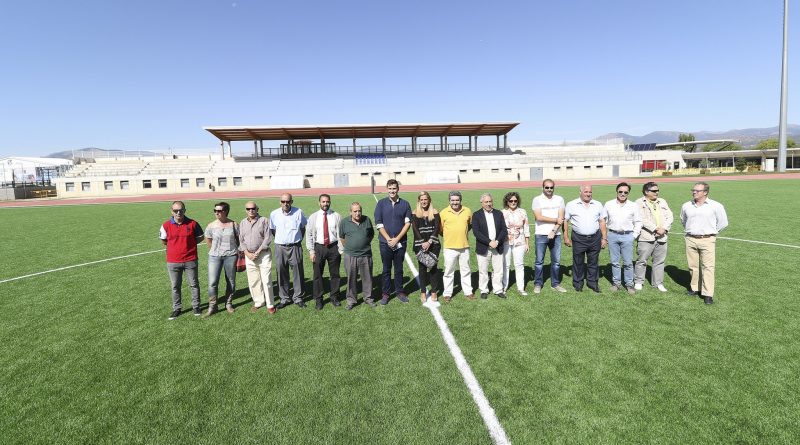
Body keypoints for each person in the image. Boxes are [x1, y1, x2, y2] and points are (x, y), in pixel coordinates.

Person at [680, 182, 728, 305]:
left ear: (705, 192)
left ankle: (707, 294)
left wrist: (711, 233)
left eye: (697, 190)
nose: (694, 192)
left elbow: (723, 223)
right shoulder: (686, 205)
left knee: (708, 267)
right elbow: (683, 220)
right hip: (690, 239)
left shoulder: (716, 206)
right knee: (693, 266)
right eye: (693, 190)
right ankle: (695, 288)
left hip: (708, 239)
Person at [160, 201, 204, 320]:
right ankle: (177, 308)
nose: (178, 212)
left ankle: (196, 306)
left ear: (185, 210)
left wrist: (189, 245)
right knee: (175, 286)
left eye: (181, 210)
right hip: (173, 261)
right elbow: (164, 241)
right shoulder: (165, 225)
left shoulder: (193, 224)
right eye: (175, 210)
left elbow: (200, 237)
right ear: (171, 211)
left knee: (194, 284)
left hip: (190, 259)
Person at [374, 179, 413, 304]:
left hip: (400, 242)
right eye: (390, 188)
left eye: (394, 188)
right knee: (386, 269)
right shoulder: (381, 203)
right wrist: (389, 239)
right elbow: (378, 224)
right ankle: (385, 293)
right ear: (387, 189)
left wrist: (397, 239)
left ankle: (399, 291)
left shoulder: (405, 204)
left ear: (398, 189)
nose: (392, 191)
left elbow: (408, 223)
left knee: (399, 268)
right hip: (385, 243)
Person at [564, 185, 607, 293]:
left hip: (595, 238)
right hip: (578, 238)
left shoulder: (597, 204)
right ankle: (578, 283)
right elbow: (565, 221)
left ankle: (592, 282)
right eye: (586, 191)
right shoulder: (571, 204)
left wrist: (604, 238)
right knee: (578, 262)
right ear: (580, 192)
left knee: (593, 262)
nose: (588, 194)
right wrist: (565, 236)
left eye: (590, 192)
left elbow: (602, 221)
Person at [306, 194, 343, 310]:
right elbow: (309, 235)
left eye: (327, 201)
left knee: (335, 275)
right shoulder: (313, 217)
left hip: (333, 247)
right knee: (317, 275)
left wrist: (340, 250)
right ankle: (318, 299)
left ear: (330, 202)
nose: (325, 204)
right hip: (319, 248)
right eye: (323, 202)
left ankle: (334, 297)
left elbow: (340, 234)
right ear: (319, 203)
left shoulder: (336, 216)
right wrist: (311, 251)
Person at [634, 182, 673, 292]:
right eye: (654, 191)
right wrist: (656, 228)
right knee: (642, 260)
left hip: (662, 236)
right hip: (646, 237)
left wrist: (664, 228)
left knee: (659, 261)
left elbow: (670, 216)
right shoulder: (638, 202)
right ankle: (638, 281)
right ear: (646, 192)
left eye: (657, 190)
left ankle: (658, 283)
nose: (657, 192)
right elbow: (641, 219)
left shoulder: (662, 201)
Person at [270, 193, 307, 309]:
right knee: (281, 273)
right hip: (280, 247)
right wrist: (282, 240)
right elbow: (273, 230)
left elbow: (303, 227)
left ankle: (298, 297)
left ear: (292, 201)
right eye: (283, 201)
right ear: (280, 202)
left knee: (298, 272)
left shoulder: (298, 212)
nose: (285, 204)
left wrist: (296, 240)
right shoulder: (274, 214)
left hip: (295, 246)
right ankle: (284, 298)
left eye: (288, 201)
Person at [604, 182, 642, 294]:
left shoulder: (633, 205)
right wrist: (605, 236)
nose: (623, 194)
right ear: (617, 192)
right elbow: (603, 221)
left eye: (625, 192)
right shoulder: (608, 204)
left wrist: (633, 236)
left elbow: (638, 222)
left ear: (628, 193)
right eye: (620, 191)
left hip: (627, 236)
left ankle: (629, 284)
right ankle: (616, 283)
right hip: (612, 235)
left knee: (628, 262)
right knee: (614, 262)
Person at [239, 201, 276, 314]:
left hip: (263, 255)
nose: (251, 210)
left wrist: (258, 252)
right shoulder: (242, 222)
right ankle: (259, 302)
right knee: (253, 281)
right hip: (249, 256)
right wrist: (247, 253)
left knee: (266, 280)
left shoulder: (264, 220)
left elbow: (268, 238)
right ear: (246, 210)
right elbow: (241, 240)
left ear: (257, 209)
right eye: (248, 209)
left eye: (253, 208)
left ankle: (270, 304)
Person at [339, 202, 377, 310]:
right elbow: (342, 237)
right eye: (355, 211)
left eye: (359, 210)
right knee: (351, 279)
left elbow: (371, 235)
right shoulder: (344, 222)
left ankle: (368, 298)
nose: (357, 213)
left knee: (367, 278)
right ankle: (351, 300)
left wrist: (363, 245)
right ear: (350, 212)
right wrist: (351, 247)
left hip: (366, 255)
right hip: (350, 255)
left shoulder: (367, 220)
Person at [532, 179, 567, 294]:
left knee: (556, 262)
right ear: (543, 188)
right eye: (547, 187)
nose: (549, 190)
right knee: (539, 261)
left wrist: (554, 230)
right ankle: (538, 284)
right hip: (541, 234)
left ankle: (555, 284)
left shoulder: (560, 199)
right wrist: (555, 220)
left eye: (551, 187)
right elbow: (539, 217)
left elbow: (561, 218)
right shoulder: (537, 200)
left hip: (555, 235)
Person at [205, 202, 239, 315]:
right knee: (212, 282)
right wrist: (216, 251)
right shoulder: (211, 225)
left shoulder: (234, 224)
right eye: (215, 210)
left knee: (231, 281)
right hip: (215, 257)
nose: (216, 213)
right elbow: (208, 241)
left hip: (231, 256)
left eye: (219, 211)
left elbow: (238, 240)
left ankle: (228, 303)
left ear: (226, 211)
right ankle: (212, 306)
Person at [439, 191, 474, 302]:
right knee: (449, 271)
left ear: (460, 200)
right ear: (449, 201)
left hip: (464, 247)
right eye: (453, 200)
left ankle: (468, 292)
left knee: (466, 270)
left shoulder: (467, 211)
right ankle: (447, 293)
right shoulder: (443, 213)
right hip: (449, 247)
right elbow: (440, 230)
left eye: (457, 200)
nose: (455, 202)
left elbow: (469, 225)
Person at [472, 193, 508, 299]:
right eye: (486, 202)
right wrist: (489, 242)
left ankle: (498, 289)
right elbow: (476, 232)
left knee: (498, 270)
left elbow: (504, 230)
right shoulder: (476, 215)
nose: (488, 204)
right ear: (482, 203)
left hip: (498, 246)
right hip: (483, 247)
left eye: (490, 201)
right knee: (483, 270)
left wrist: (496, 241)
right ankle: (484, 290)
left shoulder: (498, 213)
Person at [411, 191, 443, 303]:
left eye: (426, 199)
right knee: (422, 269)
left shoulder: (434, 212)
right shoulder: (415, 213)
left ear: (429, 200)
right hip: (420, 245)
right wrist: (423, 243)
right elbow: (415, 230)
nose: (424, 201)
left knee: (433, 268)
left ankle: (434, 291)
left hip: (433, 244)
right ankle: (423, 292)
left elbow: (437, 228)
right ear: (419, 201)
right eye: (422, 199)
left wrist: (429, 241)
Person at [501, 191, 530, 295]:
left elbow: (526, 227)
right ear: (507, 202)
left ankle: (521, 288)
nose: (513, 202)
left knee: (519, 264)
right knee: (506, 265)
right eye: (511, 201)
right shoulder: (502, 212)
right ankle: (503, 287)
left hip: (520, 241)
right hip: (505, 242)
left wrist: (527, 243)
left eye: (515, 200)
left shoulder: (522, 212)